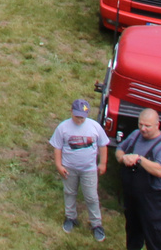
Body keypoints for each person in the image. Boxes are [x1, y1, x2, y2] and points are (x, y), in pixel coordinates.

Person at [115, 109, 161, 250]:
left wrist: (139, 159)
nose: (143, 129)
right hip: (132, 196)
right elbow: (119, 150)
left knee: (154, 235)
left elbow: (160, 171)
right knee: (133, 231)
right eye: (140, 124)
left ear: (157, 125)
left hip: (152, 200)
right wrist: (123, 158)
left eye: (147, 126)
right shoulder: (136, 135)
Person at [51, 99, 109, 240]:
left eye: (82, 117)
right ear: (71, 112)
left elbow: (103, 145)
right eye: (77, 116)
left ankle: (96, 224)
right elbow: (57, 147)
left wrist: (103, 163)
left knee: (91, 197)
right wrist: (59, 165)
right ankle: (70, 217)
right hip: (69, 168)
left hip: (89, 169)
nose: (79, 120)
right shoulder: (63, 128)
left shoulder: (94, 127)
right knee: (69, 192)